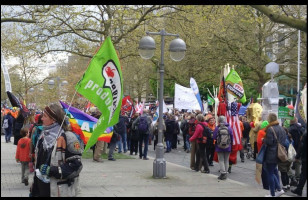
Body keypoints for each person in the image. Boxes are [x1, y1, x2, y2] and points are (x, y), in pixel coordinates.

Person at [30, 103, 83, 197]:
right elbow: (38, 164)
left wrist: (53, 170)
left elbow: (76, 167)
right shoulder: (43, 135)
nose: (41, 118)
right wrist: (34, 190)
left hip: (58, 191)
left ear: (53, 119)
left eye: (45, 116)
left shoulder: (68, 138)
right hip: (41, 190)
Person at [263, 113, 286, 197]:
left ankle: (273, 193)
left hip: (271, 153)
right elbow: (283, 140)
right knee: (274, 171)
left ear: (270, 119)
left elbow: (269, 142)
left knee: (270, 173)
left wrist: (263, 140)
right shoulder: (282, 128)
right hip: (279, 153)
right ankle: (279, 189)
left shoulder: (270, 129)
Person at [213, 116, 233, 180]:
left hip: (219, 146)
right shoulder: (229, 128)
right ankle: (226, 173)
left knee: (221, 159)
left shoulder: (217, 128)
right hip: (228, 146)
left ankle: (223, 173)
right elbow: (232, 137)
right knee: (226, 160)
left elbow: (214, 137)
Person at [291, 130, 307, 197]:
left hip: (306, 158)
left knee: (303, 175)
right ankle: (299, 189)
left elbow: (302, 146)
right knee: (303, 175)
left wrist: (297, 156)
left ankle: (299, 189)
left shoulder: (305, 135)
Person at [288, 117, 303, 185]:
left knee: (287, 164)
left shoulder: (290, 129)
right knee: (298, 163)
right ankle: (297, 178)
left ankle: (292, 178)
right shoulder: (300, 127)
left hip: (292, 148)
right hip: (300, 148)